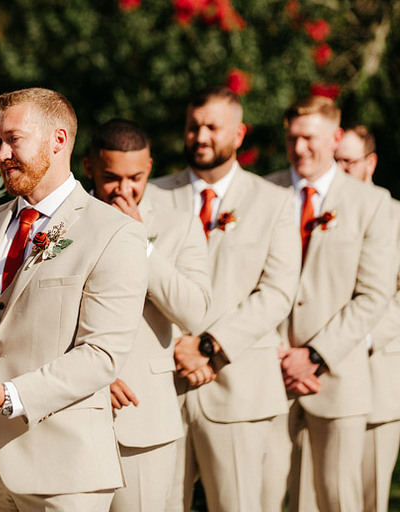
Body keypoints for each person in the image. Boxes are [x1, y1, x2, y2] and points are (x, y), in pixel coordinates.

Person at [0, 88, 149, 511]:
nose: (0, 154)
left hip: (66, 473)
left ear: (58, 140)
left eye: (13, 139)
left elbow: (101, 353)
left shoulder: (114, 233)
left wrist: (8, 396)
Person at [147, 86, 300, 512]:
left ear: (239, 134)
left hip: (239, 387)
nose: (200, 136)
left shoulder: (274, 202)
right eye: (193, 127)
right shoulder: (151, 196)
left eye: (212, 127)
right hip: (161, 383)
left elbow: (277, 292)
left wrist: (208, 346)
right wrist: (180, 344)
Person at [266, 97, 394, 512]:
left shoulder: (372, 203)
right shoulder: (262, 193)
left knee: (340, 499)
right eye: (292, 139)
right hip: (267, 372)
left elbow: (373, 294)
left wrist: (315, 355)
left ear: (335, 138)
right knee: (261, 497)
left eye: (309, 138)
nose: (299, 148)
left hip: (338, 375)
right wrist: (277, 351)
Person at [83, 119, 211, 512]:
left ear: (150, 167)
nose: (124, 190)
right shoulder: (66, 218)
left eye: (135, 177)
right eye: (111, 178)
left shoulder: (179, 225)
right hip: (70, 412)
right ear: (88, 167)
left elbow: (195, 312)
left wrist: (142, 245)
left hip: (143, 416)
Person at [336, 125, 399, 512]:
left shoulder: (395, 215)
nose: (339, 169)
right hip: (311, 384)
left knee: (368, 500)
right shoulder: (311, 211)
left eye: (348, 161)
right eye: (335, 160)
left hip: (376, 378)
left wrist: (358, 339)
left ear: (370, 163)